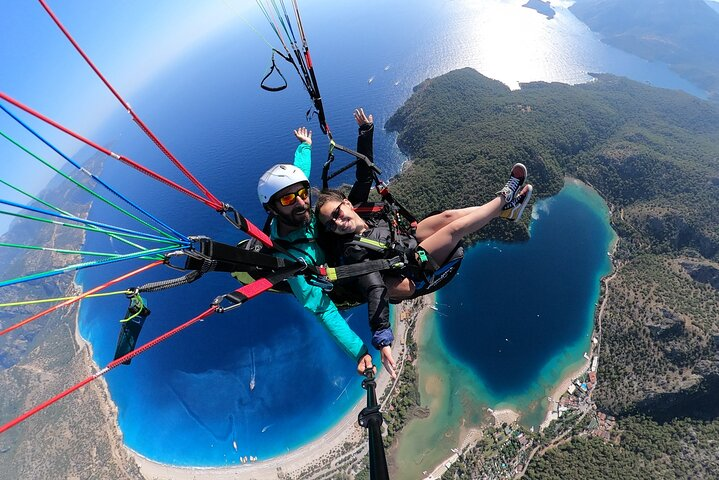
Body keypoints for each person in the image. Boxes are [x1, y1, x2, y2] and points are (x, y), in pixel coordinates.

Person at [315, 109, 534, 375]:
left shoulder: (359, 207)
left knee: (448, 216)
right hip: (412, 269)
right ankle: (505, 196)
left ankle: (505, 211)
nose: (337, 222)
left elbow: (363, 175)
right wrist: (382, 337)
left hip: (406, 242)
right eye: (331, 224)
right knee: (454, 229)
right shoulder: (353, 251)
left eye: (337, 213)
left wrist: (366, 133)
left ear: (347, 203)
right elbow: (373, 288)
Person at [256, 125, 378, 378]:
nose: (302, 202)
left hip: (339, 243)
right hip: (337, 271)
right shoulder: (290, 257)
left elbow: (302, 173)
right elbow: (322, 308)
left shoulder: (302, 205)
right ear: (272, 210)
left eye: (302, 194)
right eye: (289, 200)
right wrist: (359, 351)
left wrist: (305, 146)